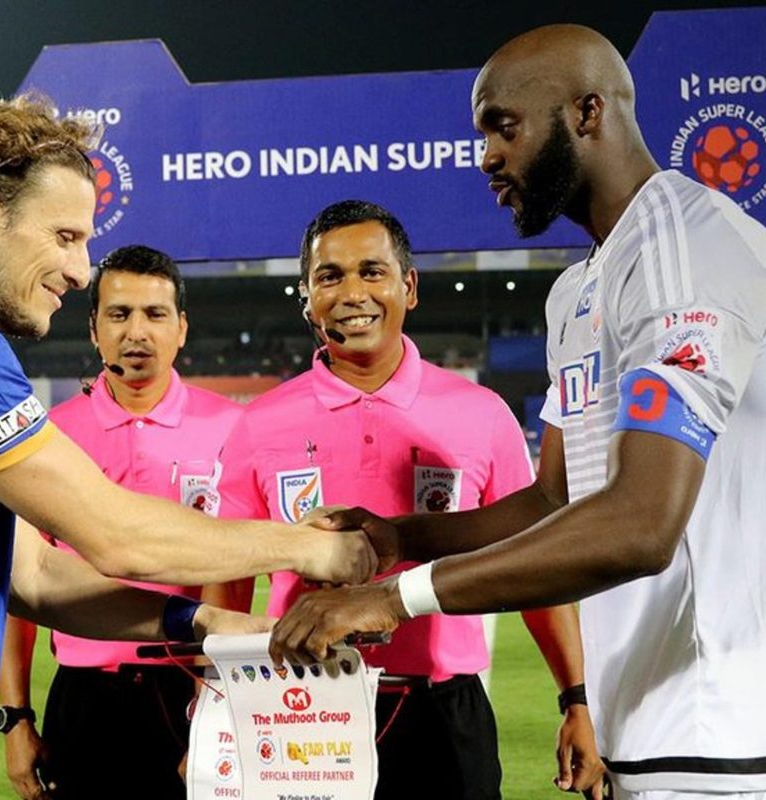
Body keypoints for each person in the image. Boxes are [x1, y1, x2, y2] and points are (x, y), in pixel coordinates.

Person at [269, 24, 766, 800]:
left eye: (504, 127)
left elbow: (642, 524)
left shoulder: (683, 256)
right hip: (645, 727)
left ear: (587, 113)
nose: (487, 157)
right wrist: (402, 536)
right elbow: (551, 501)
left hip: (722, 741)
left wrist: (392, 596)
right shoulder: (578, 291)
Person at [0, 97, 375, 799]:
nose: (80, 269)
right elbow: (116, 535)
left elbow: (36, 575)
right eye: (64, 236)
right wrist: (310, 549)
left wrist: (199, 617)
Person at [220, 199, 601, 799]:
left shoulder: (482, 414)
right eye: (330, 276)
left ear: (409, 287)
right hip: (302, 708)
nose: (352, 293)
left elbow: (535, 561)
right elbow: (229, 576)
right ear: (308, 298)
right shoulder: (258, 423)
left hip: (443, 714)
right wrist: (212, 709)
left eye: (372, 271)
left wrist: (576, 699)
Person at [0, 244, 252, 800]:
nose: (137, 332)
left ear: (181, 328)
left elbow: (234, 577)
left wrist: (216, 707)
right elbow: (19, 589)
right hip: (86, 700)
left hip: (192, 687)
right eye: (119, 314)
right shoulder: (49, 437)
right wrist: (15, 719)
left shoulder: (234, 428)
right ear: (94, 329)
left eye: (155, 314)